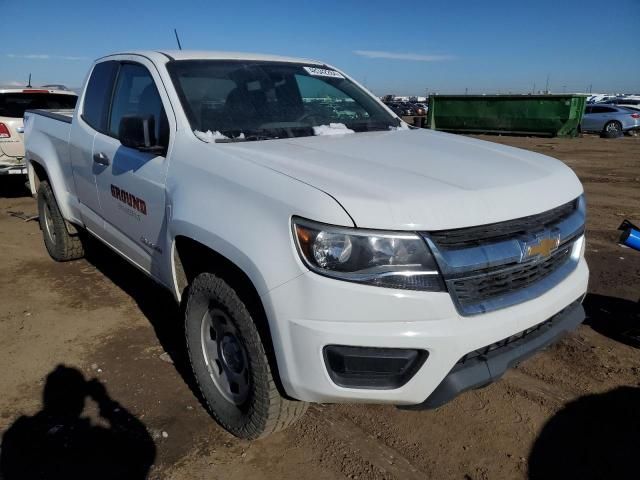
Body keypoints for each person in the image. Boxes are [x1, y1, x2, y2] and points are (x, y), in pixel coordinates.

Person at [0, 365, 156, 480]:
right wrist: (104, 401)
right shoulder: (95, 442)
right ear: (81, 401)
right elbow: (145, 451)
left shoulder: (18, 436)